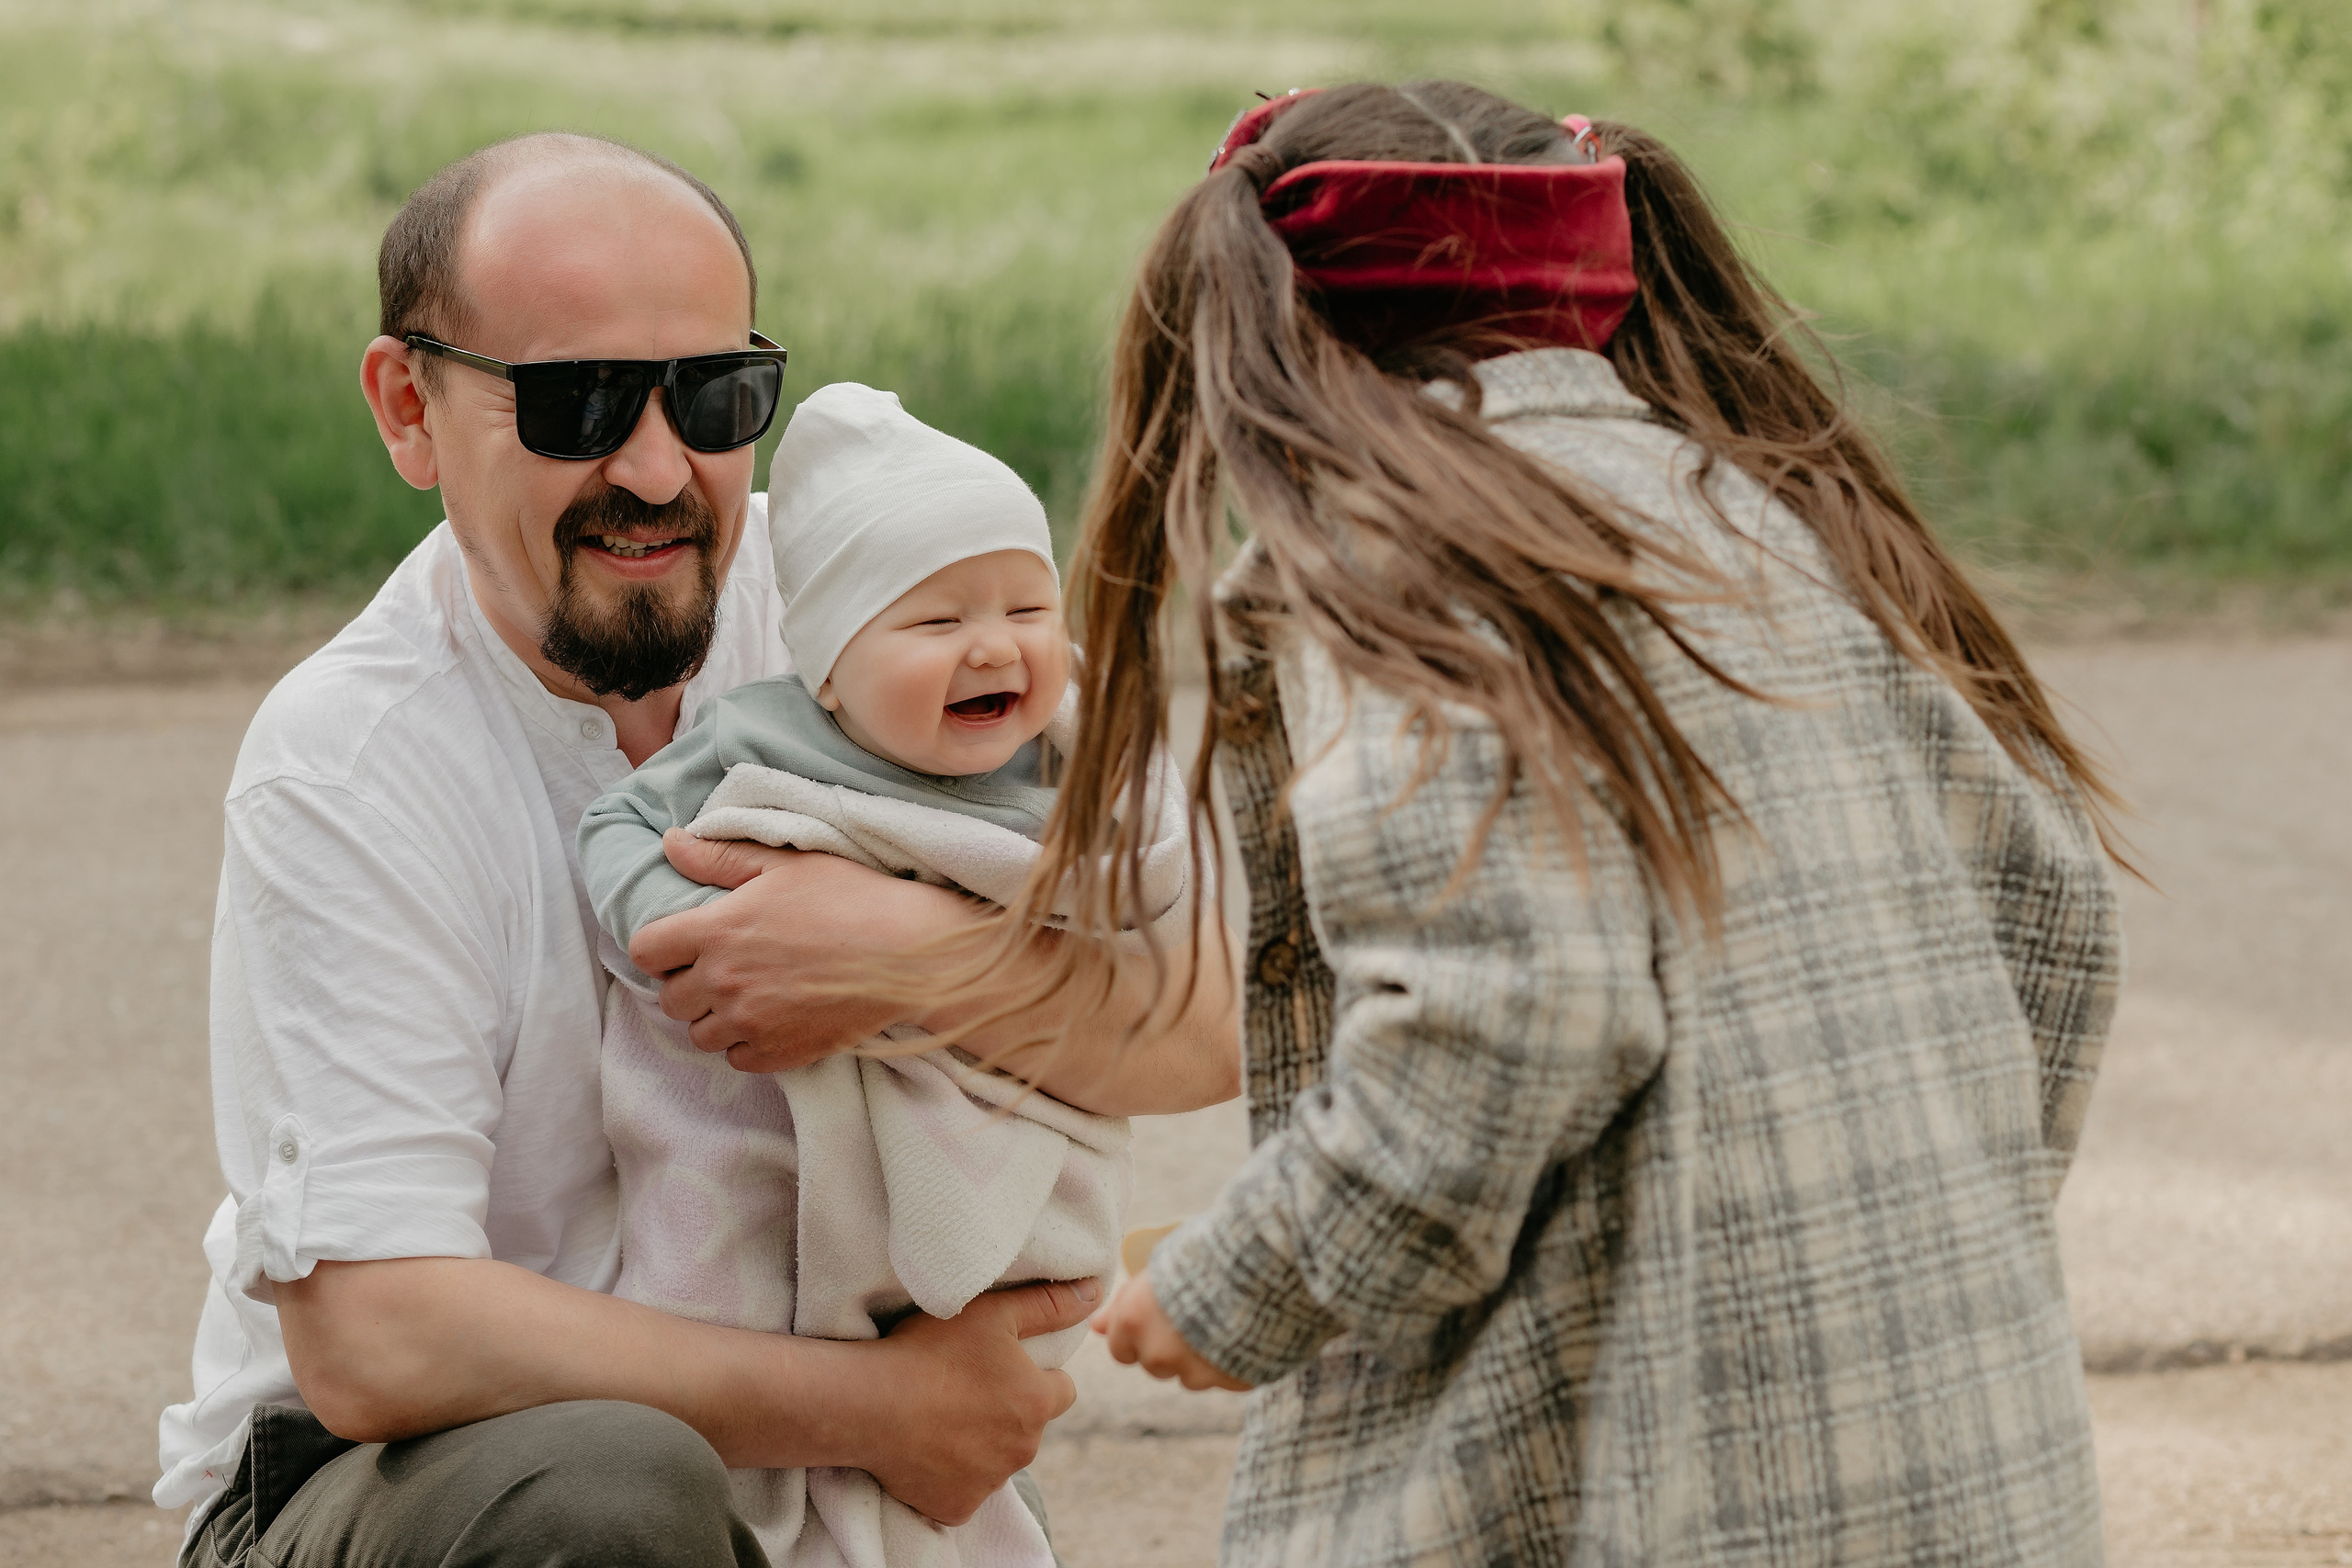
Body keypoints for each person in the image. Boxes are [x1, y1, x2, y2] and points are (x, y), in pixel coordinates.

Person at [1011, 81, 2119, 1564]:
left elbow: (1509, 1020)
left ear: (1275, 329)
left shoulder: (1413, 567)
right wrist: (1910, 1241)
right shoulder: (1749, 510)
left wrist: (1244, 1284)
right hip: (1970, 1452)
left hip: (1655, 1489)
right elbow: (2055, 922)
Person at [156, 132, 1238, 1567]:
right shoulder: (351, 766)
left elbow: (1221, 1016)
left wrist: (920, 961)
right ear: (408, 407)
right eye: (579, 401)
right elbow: (379, 1337)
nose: (659, 467)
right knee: (610, 1498)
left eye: (717, 396)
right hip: (413, 1488)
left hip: (819, 1455)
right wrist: (876, 1410)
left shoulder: (882, 605)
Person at [577, 382, 1196, 1567]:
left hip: (991, 1134)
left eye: (1027, 606)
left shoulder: (1071, 767)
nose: (994, 645)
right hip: (777, 1132)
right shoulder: (764, 738)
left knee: (982, 1368)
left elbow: (1159, 882)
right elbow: (621, 822)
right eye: (932, 622)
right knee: (719, 1248)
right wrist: (668, 920)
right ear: (829, 669)